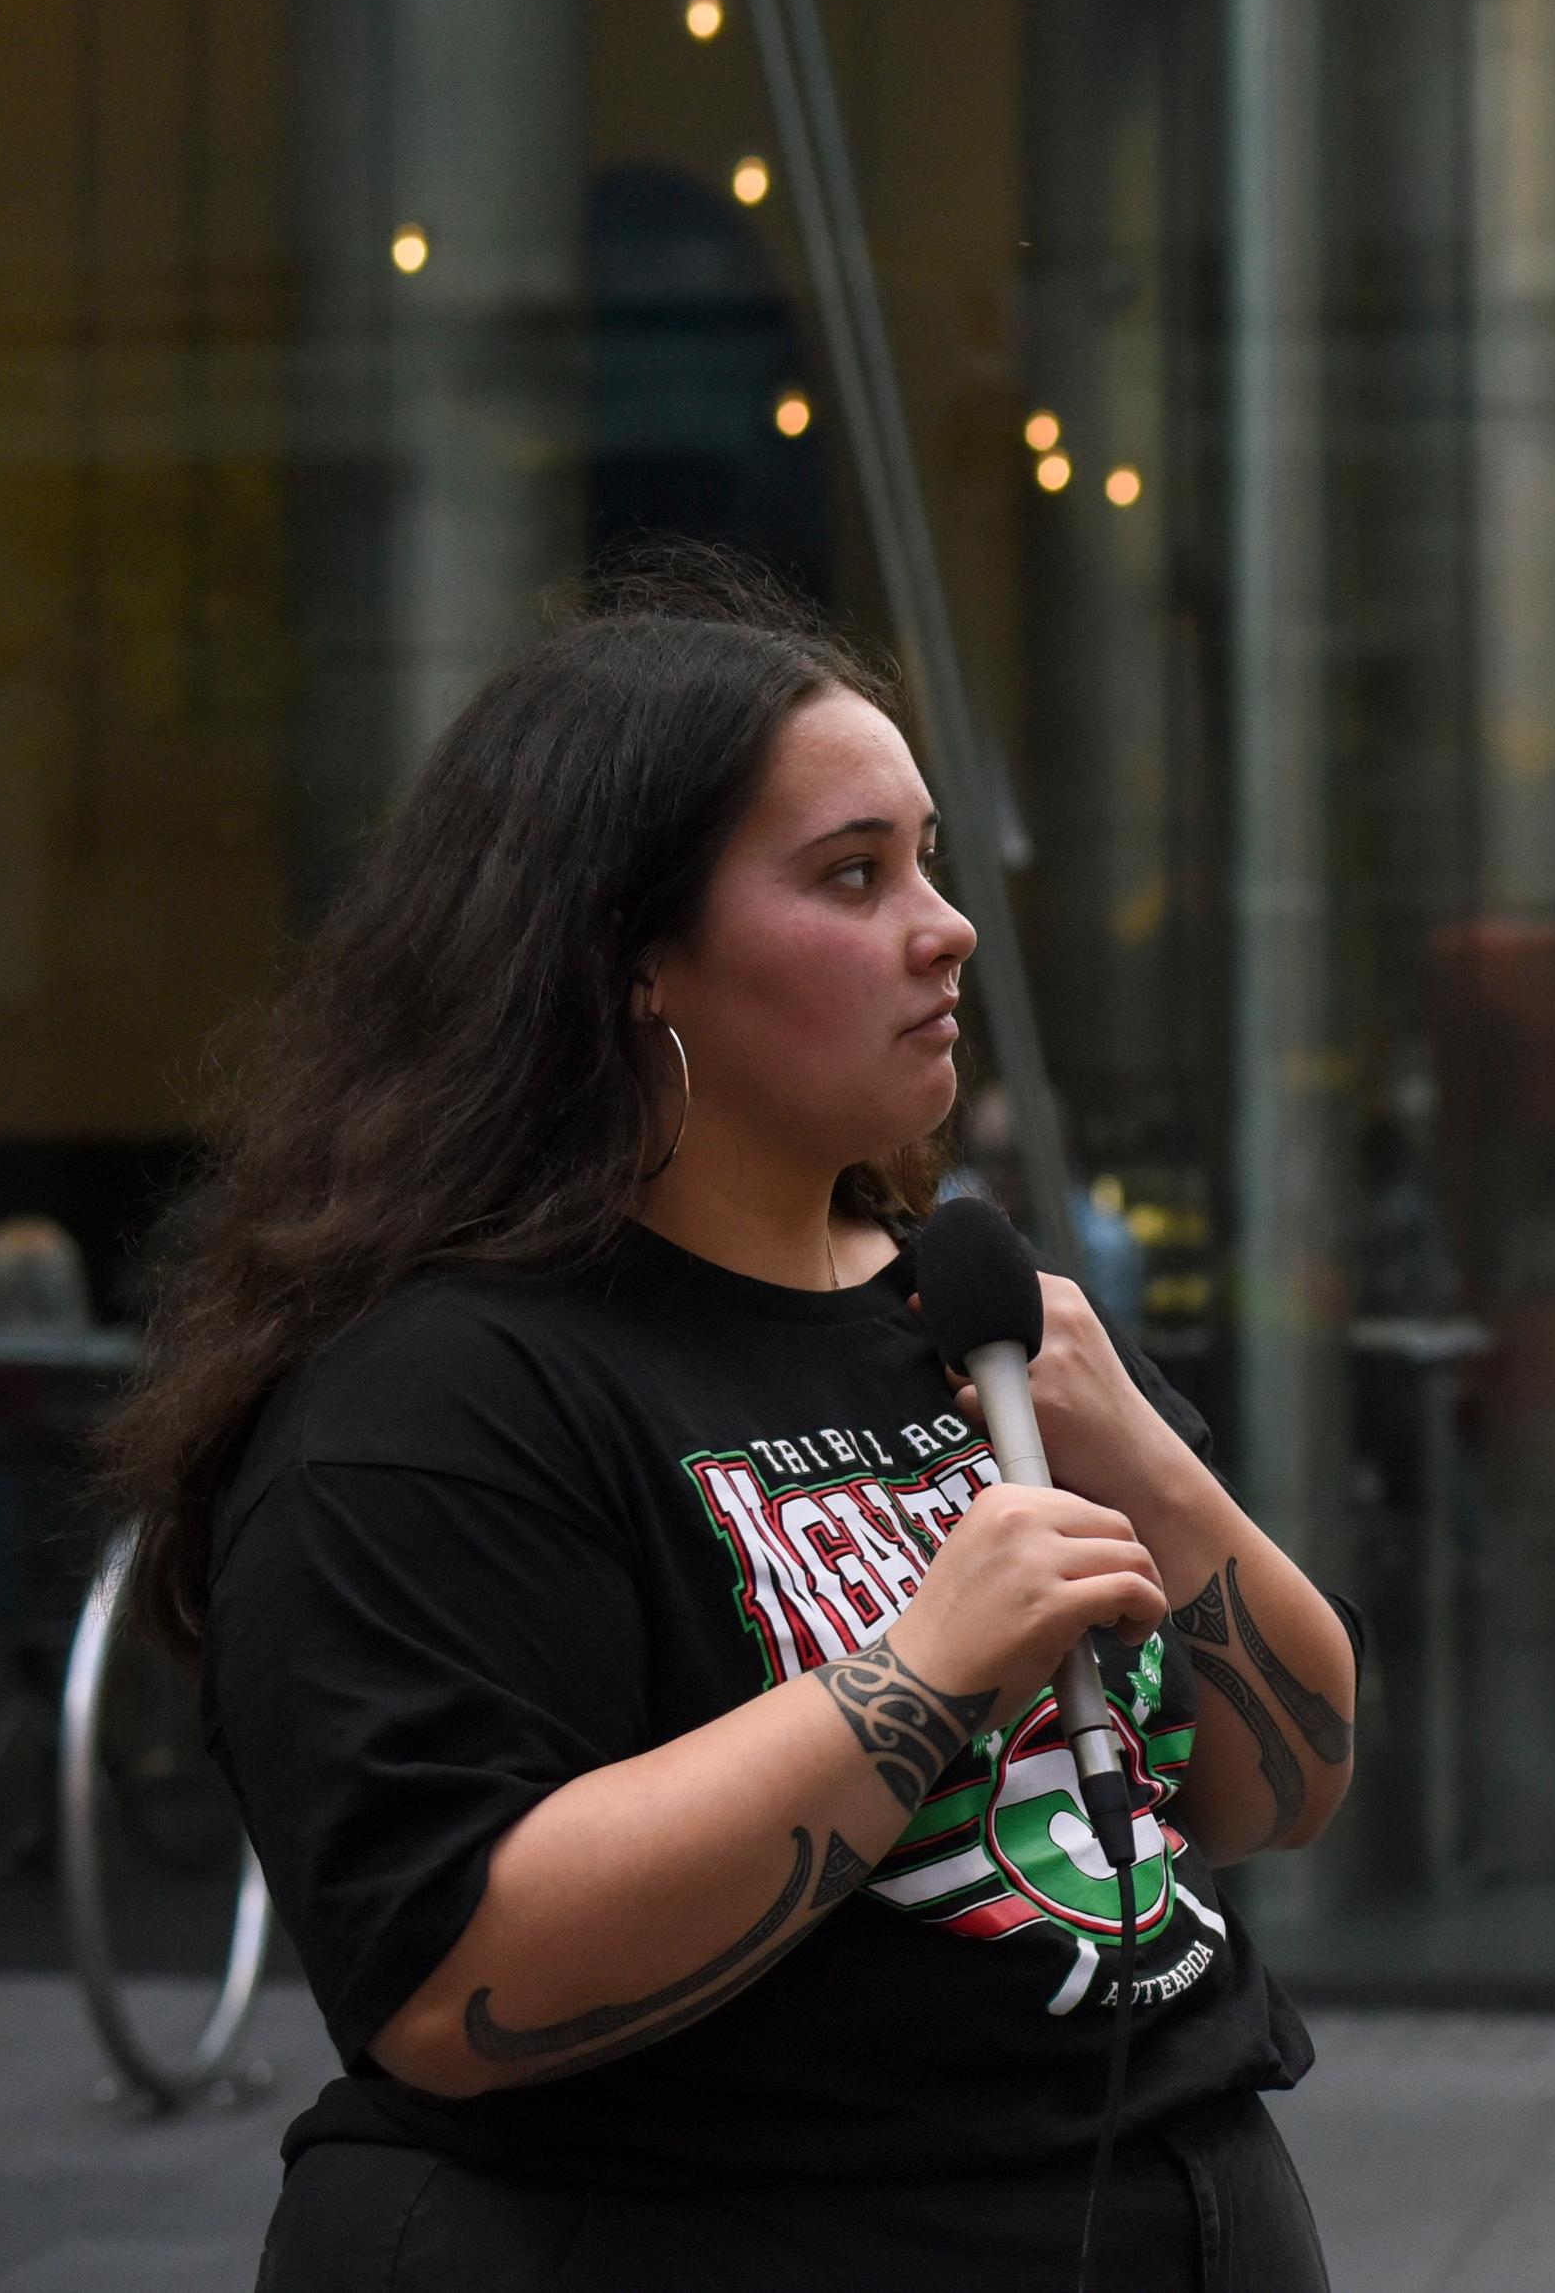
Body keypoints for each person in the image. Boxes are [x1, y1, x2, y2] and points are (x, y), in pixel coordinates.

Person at [108, 563, 1355, 2290]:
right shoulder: (436, 1397)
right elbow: (454, 1977)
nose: (947, 924)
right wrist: (918, 1680)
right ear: (634, 961)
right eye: (854, 875)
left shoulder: (975, 1322)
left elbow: (1277, 1783)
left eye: (928, 857)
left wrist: (1138, 1451)